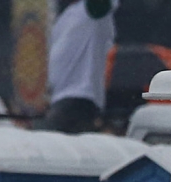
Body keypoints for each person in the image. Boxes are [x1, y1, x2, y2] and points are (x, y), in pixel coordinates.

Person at [45, 0, 118, 134]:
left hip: (80, 100)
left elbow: (101, 5)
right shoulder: (64, 16)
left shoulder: (91, 12)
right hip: (59, 101)